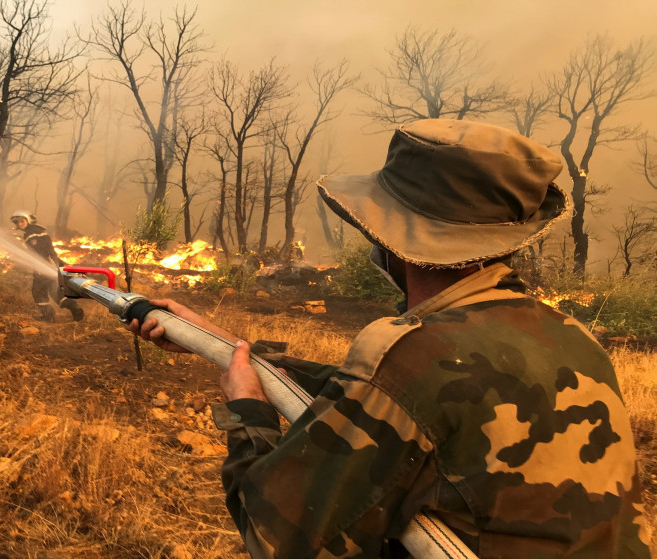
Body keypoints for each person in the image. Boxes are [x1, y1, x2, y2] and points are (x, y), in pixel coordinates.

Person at [126, 120, 652, 558]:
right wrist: (221, 342)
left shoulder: (411, 352)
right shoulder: (570, 336)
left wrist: (247, 408)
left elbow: (275, 535)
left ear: (394, 242)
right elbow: (388, 402)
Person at [10, 210, 83, 322]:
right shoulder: (39, 230)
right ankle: (75, 308)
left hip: (44, 267)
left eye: (22, 221)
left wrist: (39, 266)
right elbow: (50, 250)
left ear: (28, 220)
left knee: (38, 291)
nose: (19, 224)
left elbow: (40, 252)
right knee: (56, 293)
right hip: (52, 266)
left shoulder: (32, 234)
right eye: (17, 222)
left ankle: (48, 317)